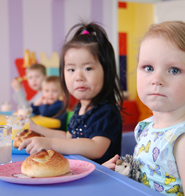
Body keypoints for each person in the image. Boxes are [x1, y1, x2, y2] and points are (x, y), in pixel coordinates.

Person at [103, 21, 185, 196]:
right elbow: (150, 175)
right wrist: (122, 170)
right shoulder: (148, 126)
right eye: (148, 68)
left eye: (174, 70)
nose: (157, 79)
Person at [18, 21, 124, 164]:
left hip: (102, 179)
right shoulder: (80, 108)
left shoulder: (107, 112)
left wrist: (50, 143)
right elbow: (69, 138)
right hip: (81, 175)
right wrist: (36, 128)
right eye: (71, 70)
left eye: (88, 68)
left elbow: (96, 148)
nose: (78, 77)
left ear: (107, 71)